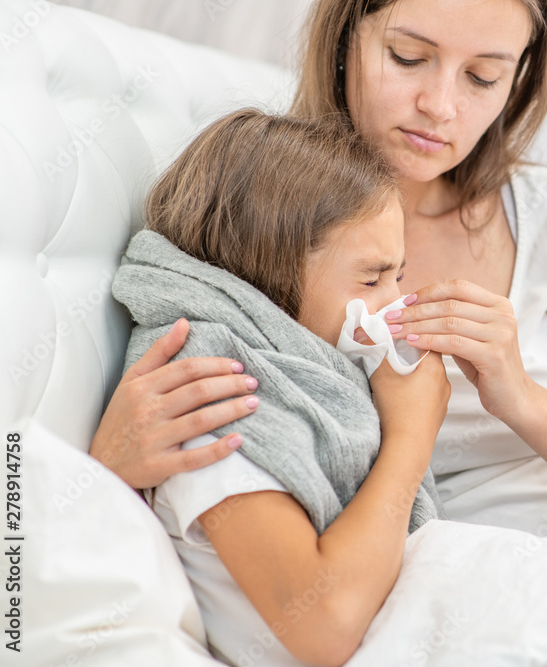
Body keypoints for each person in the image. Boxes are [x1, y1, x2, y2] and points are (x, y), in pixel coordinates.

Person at [93, 0, 547, 543]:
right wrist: (108, 465)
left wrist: (521, 399)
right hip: (434, 573)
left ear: (518, 79)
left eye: (482, 76)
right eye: (408, 57)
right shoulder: (264, 218)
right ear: (345, 40)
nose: (439, 106)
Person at [112, 108, 451, 666]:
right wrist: (412, 436)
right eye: (371, 278)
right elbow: (324, 628)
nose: (394, 303)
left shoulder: (304, 371)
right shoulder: (208, 393)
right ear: (266, 270)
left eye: (399, 275)